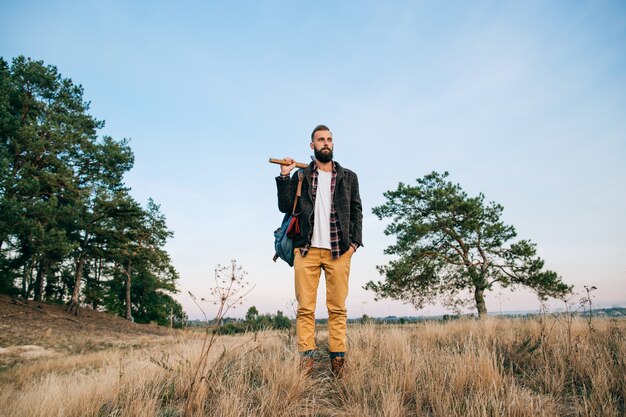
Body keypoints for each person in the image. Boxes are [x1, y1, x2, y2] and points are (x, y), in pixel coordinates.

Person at [276, 124, 363, 377]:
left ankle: (338, 365)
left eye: (329, 139)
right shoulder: (301, 175)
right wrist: (284, 175)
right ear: (312, 145)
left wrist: (354, 244)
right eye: (320, 140)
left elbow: (357, 210)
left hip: (339, 251)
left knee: (337, 309)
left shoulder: (349, 177)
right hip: (306, 249)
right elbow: (284, 206)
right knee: (305, 309)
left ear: (332, 144)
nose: (326, 143)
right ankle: (307, 365)